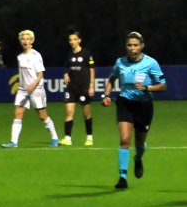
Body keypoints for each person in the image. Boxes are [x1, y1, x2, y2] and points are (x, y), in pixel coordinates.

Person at [102, 31, 167, 189]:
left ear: (142, 46)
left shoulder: (151, 63)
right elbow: (112, 79)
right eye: (129, 45)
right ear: (126, 46)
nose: (132, 48)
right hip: (125, 103)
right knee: (125, 139)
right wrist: (106, 95)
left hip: (144, 105)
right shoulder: (120, 62)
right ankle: (122, 177)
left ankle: (138, 158)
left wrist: (147, 88)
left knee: (139, 143)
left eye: (135, 45)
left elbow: (163, 85)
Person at [2, 29, 60, 148]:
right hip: (23, 90)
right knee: (18, 113)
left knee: (42, 116)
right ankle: (14, 142)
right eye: (23, 39)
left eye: (28, 39)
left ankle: (55, 137)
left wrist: (33, 85)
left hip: (36, 89)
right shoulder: (20, 57)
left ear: (32, 41)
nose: (25, 41)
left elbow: (41, 74)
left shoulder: (35, 55)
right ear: (20, 41)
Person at [61, 29, 95, 146]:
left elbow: (91, 70)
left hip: (84, 88)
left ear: (79, 40)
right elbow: (68, 69)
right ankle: (67, 138)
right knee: (69, 113)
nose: (72, 42)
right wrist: (66, 74)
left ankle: (89, 137)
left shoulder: (86, 53)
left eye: (75, 39)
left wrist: (91, 86)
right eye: (70, 40)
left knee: (86, 114)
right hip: (71, 88)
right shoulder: (68, 54)